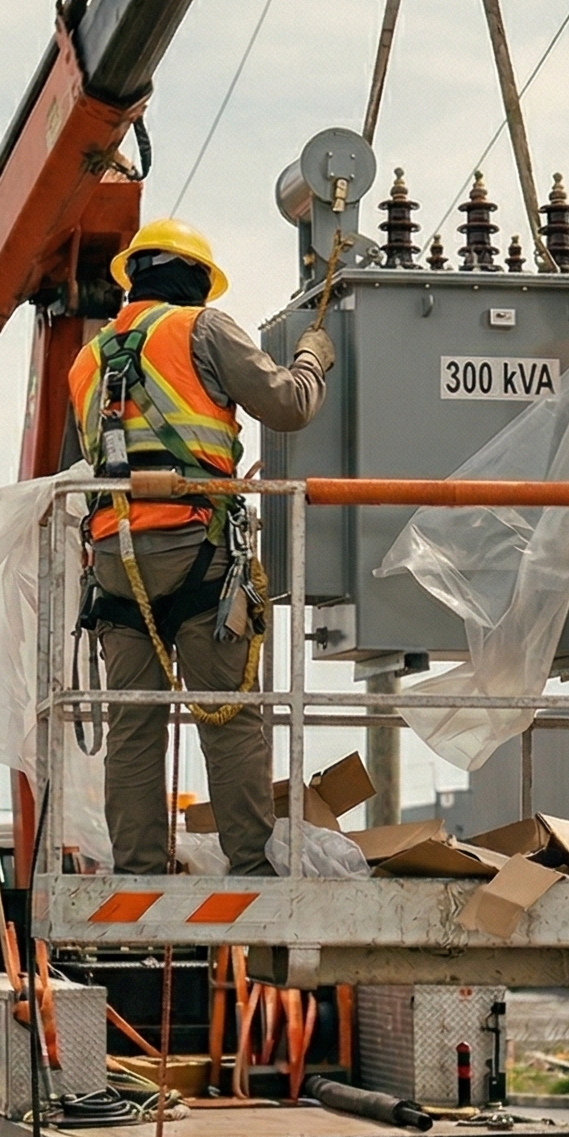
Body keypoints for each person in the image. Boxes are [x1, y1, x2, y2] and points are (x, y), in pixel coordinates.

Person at [64, 218, 333, 877]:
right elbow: (288, 405)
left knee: (134, 727)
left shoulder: (88, 360)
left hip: (115, 564)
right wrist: (313, 359)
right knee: (228, 717)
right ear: (197, 281)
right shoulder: (203, 329)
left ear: (136, 278)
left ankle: (138, 873)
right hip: (197, 550)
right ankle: (251, 868)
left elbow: (87, 463)